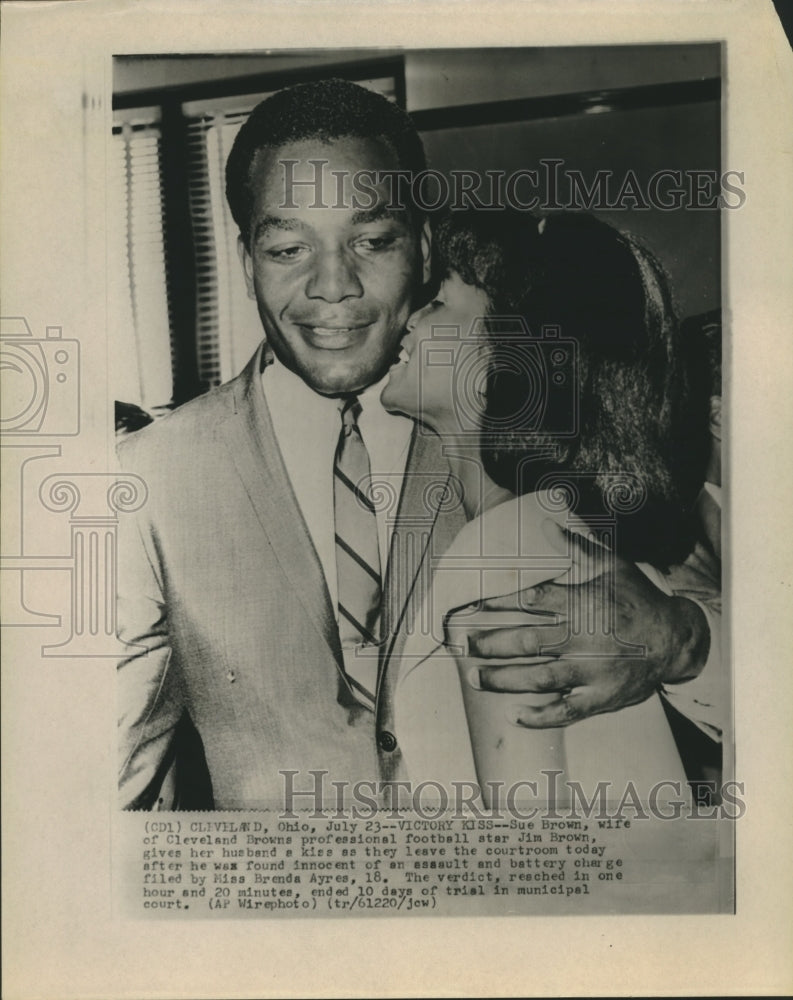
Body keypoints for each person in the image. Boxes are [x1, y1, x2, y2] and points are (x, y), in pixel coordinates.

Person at [117, 78, 719, 811]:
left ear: (424, 245)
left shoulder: (543, 451)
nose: (331, 286)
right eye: (285, 247)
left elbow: (714, 624)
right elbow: (105, 764)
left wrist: (684, 640)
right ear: (245, 264)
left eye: (371, 240)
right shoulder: (154, 473)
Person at [381, 209, 723, 803]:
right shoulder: (565, 530)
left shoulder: (507, 547)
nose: (408, 317)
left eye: (438, 301)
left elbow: (534, 866)